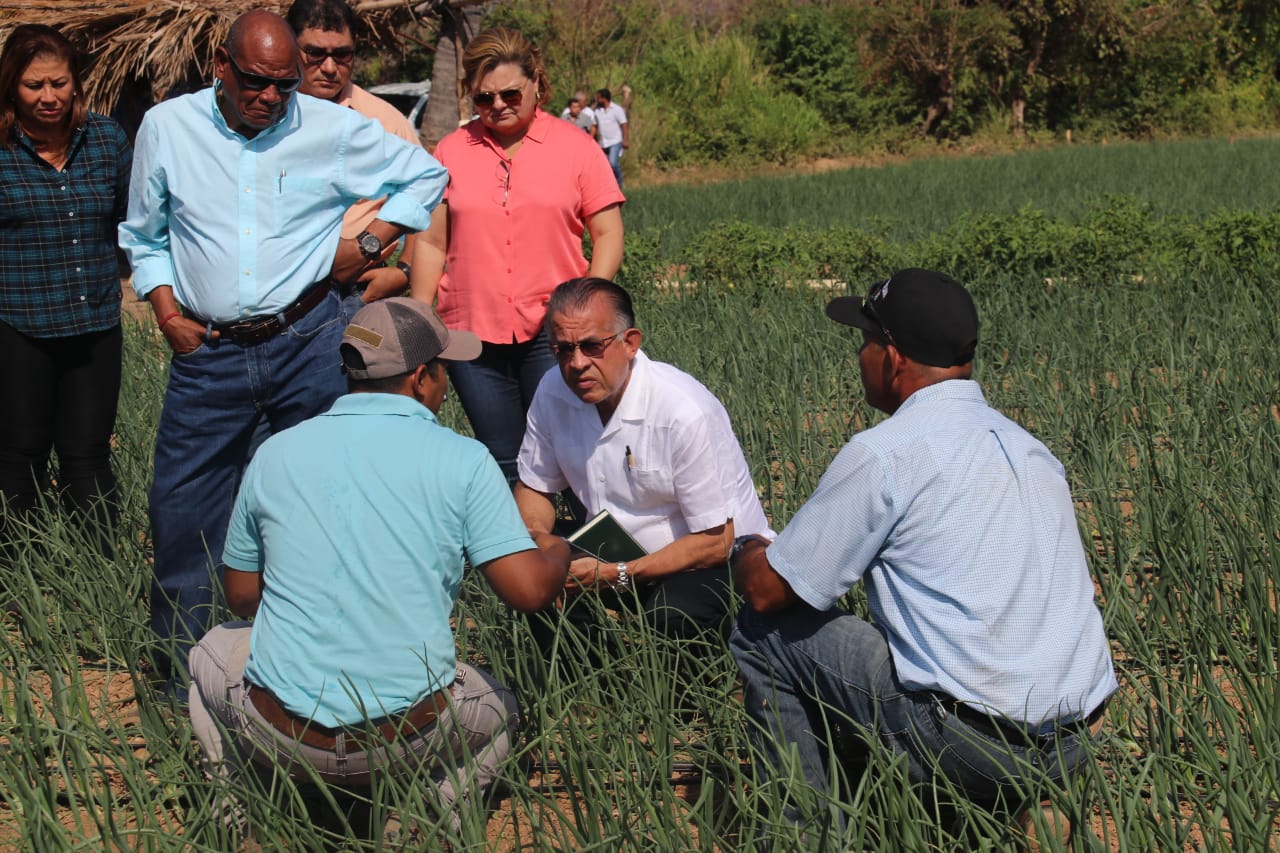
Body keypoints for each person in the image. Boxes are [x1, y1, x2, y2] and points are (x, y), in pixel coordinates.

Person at [118, 10, 448, 690]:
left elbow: (425, 176)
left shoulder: (329, 129)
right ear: (219, 64)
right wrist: (165, 309)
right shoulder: (168, 129)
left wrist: (367, 243)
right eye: (254, 82)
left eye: (283, 84)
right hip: (207, 349)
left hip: (310, 341)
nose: (270, 97)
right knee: (184, 510)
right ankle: (185, 684)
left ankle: (309, 671)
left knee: (320, 503)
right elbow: (144, 233)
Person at [729, 269, 1118, 830]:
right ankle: (998, 810)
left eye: (865, 341)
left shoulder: (885, 453)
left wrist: (747, 547)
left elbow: (769, 591)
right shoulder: (1029, 448)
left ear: (892, 358)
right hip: (1078, 740)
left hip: (974, 744)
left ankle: (803, 833)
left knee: (761, 632)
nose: (859, 356)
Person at [187, 298, 570, 838]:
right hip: (407, 737)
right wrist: (555, 548)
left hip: (281, 732)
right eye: (443, 371)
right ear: (420, 378)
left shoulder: (276, 452)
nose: (445, 386)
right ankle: (427, 826)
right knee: (500, 709)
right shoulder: (463, 459)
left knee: (209, 651)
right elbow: (529, 592)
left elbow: (243, 597)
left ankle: (237, 820)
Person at [411, 28, 624, 482]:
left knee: (574, 452)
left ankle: (589, 549)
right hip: (470, 335)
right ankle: (520, 548)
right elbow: (431, 242)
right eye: (484, 98)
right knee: (505, 459)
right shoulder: (451, 150)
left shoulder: (576, 148)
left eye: (510, 93)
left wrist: (587, 305)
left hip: (554, 333)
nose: (498, 105)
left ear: (536, 85)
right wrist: (420, 315)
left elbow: (607, 233)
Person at [515, 277, 773, 643]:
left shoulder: (681, 410)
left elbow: (716, 541)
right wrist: (538, 541)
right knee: (522, 574)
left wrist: (619, 573)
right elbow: (534, 487)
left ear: (630, 342)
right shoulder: (552, 390)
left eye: (592, 346)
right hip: (612, 549)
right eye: (562, 350)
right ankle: (586, 686)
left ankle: (692, 690)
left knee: (674, 613)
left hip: (712, 561)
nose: (577, 364)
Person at [0, 25, 131, 560]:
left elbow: (133, 222)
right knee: (18, 455)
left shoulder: (106, 140)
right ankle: (23, 575)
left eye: (59, 83)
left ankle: (97, 572)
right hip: (17, 324)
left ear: (76, 83)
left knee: (88, 456)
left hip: (95, 323)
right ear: (12, 87)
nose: (49, 97)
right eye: (34, 86)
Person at [286, 0, 421, 315]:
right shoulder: (267, 117)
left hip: (360, 293)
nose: (330, 67)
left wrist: (403, 271)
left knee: (361, 366)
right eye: (315, 53)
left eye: (342, 54)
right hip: (281, 294)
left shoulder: (386, 123)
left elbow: (428, 205)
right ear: (290, 47)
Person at [592, 88, 628, 189]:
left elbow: (624, 125)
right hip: (603, 143)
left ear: (604, 98)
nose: (597, 99)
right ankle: (609, 187)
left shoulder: (617, 109)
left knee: (613, 163)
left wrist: (625, 140)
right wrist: (590, 139)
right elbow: (595, 126)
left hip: (615, 141)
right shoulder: (597, 111)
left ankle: (619, 184)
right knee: (605, 167)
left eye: (598, 97)